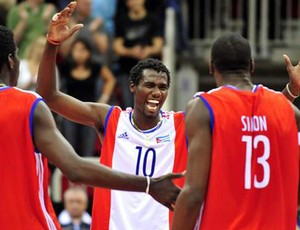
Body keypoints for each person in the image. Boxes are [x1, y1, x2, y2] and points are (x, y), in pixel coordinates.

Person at [0, 22, 182, 230]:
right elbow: (50, 96)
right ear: (132, 87)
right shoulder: (110, 118)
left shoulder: (180, 123)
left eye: (163, 87)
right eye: (149, 85)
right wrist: (52, 45)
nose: (157, 92)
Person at [172, 33, 300, 230]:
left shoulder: (203, 108)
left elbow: (194, 194)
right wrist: (291, 91)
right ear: (251, 65)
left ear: (211, 67)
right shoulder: (287, 109)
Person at [59, 37, 116, 156]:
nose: (79, 54)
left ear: (89, 52)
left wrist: (104, 98)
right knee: (69, 144)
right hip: (70, 110)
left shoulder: (96, 67)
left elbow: (110, 79)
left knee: (88, 147)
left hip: (90, 111)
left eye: (82, 50)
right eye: (76, 50)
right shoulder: (66, 67)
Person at [113, 0, 164, 108]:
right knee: (127, 106)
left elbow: (158, 45)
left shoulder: (153, 20)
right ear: (127, 3)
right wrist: (131, 52)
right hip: (127, 71)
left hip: (150, 72)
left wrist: (148, 51)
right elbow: (117, 47)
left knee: (150, 104)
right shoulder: (122, 21)